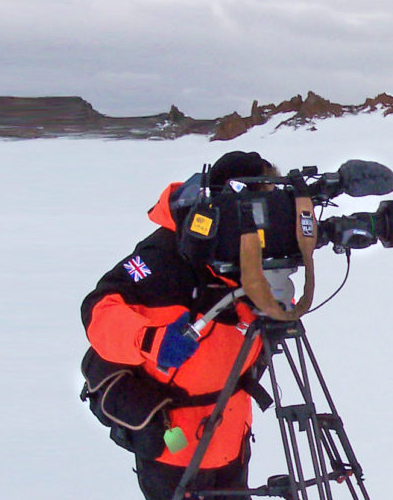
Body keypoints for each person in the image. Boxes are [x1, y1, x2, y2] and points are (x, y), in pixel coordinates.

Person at [81, 151, 315, 500]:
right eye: (258, 209)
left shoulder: (252, 256)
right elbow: (99, 310)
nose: (266, 224)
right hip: (175, 453)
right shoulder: (165, 256)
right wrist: (151, 340)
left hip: (232, 440)